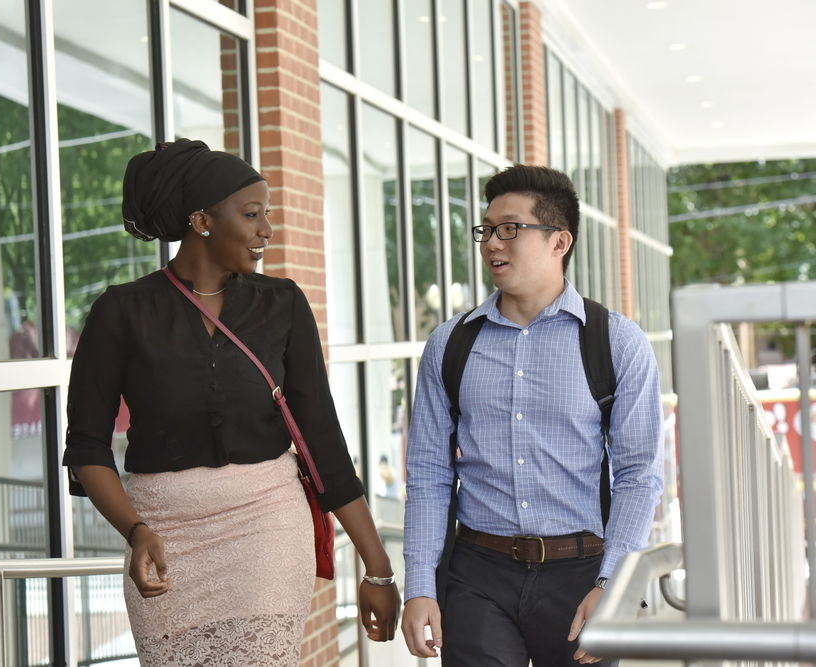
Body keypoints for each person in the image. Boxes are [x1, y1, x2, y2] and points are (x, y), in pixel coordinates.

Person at [63, 139, 400, 666]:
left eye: (268, 214)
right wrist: (135, 530)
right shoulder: (121, 313)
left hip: (266, 526)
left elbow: (322, 444)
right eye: (251, 214)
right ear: (202, 220)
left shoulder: (283, 304)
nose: (266, 229)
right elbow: (86, 448)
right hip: (164, 537)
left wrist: (376, 566)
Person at [400, 165, 664, 666]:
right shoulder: (451, 344)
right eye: (486, 230)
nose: (492, 244)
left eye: (511, 229)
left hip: (582, 573)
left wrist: (614, 584)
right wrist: (419, 585)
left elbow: (638, 476)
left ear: (559, 241)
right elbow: (430, 473)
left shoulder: (615, 342)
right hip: (478, 573)